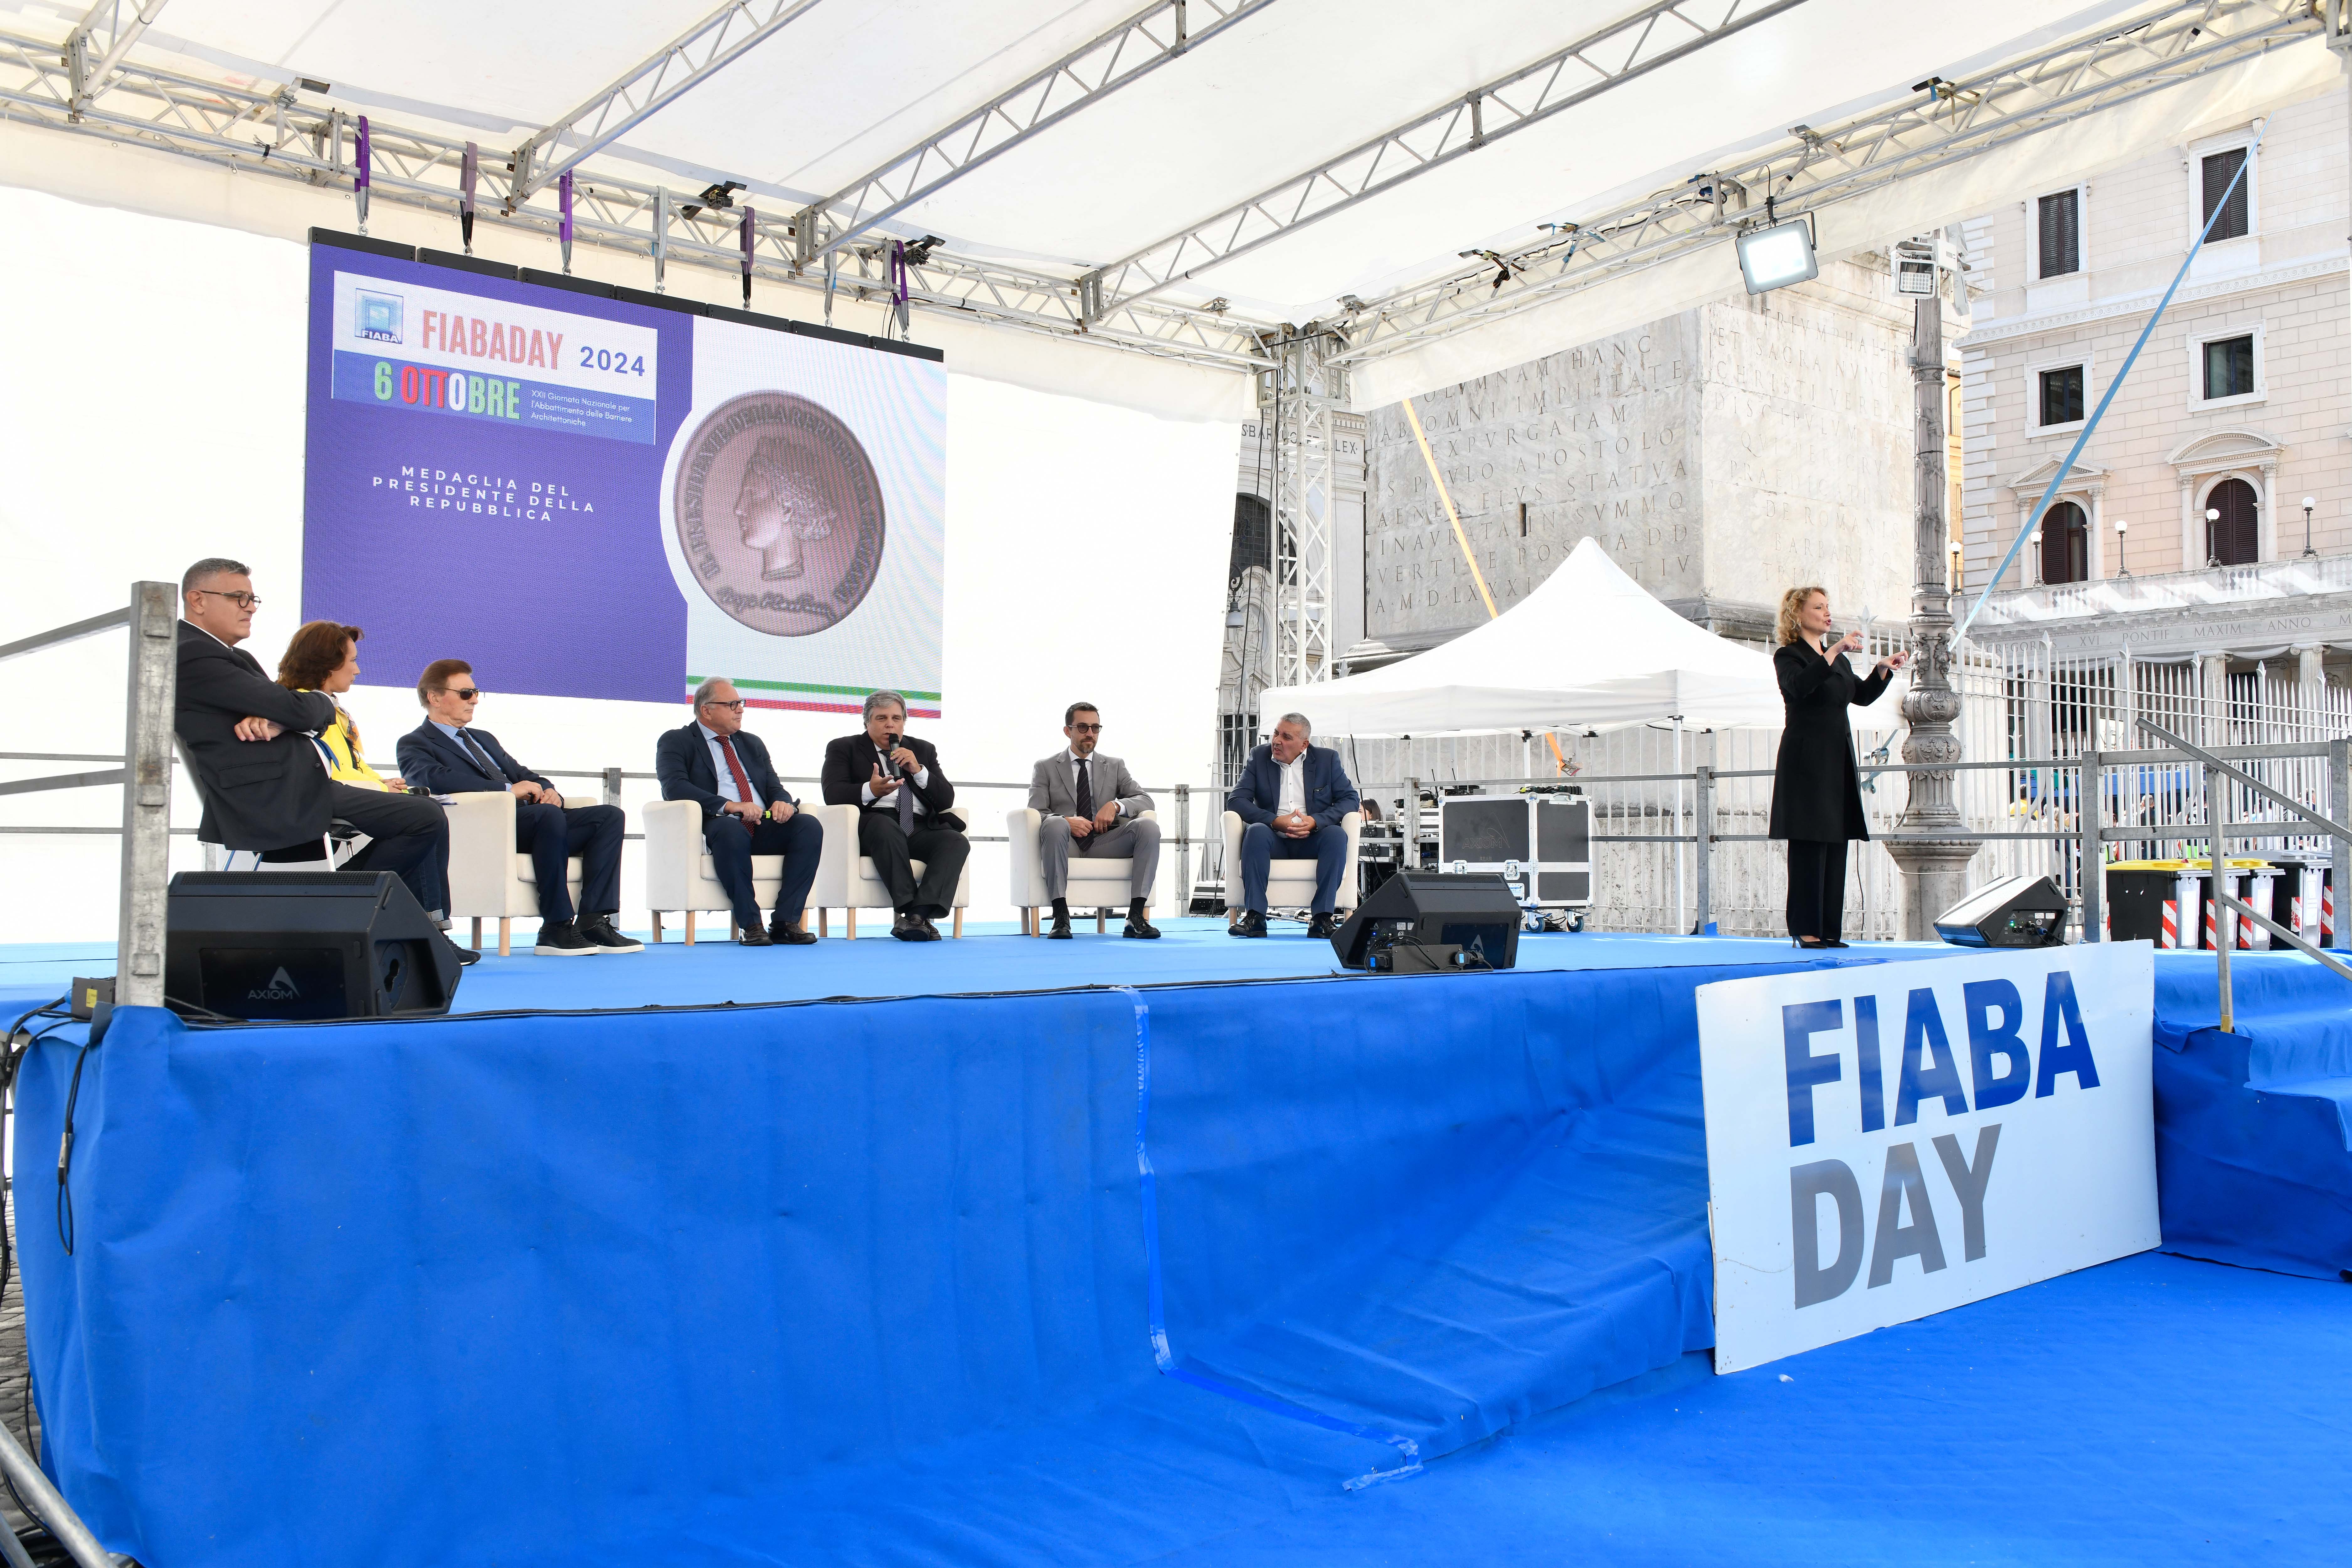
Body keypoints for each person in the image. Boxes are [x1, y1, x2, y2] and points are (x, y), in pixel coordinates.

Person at [172, 559, 462, 954]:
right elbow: (298, 709)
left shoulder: (222, 655)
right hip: (274, 792)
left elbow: (286, 709)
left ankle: (352, 909)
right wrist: (300, 710)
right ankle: (332, 905)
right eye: (239, 597)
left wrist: (283, 717)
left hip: (292, 782)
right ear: (197, 600)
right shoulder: (195, 654)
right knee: (423, 817)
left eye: (252, 598)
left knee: (422, 811)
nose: (251, 607)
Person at [395, 660, 641, 957]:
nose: (474, 699)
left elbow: (524, 773)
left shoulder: (482, 739)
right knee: (545, 816)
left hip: (534, 822)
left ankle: (592, 921)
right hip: (486, 827)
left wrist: (550, 791)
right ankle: (556, 926)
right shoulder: (414, 742)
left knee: (608, 816)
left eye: (476, 692)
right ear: (434, 697)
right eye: (465, 693)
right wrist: (506, 791)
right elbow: (432, 778)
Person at [274, 619, 451, 921]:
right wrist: (381, 789)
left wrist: (381, 782)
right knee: (423, 817)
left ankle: (430, 921)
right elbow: (326, 773)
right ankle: (348, 901)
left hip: (341, 791)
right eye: (353, 661)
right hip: (314, 797)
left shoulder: (329, 707)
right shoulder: (303, 708)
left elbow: (352, 764)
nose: (357, 670)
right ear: (327, 665)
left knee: (424, 812)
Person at [1769, 586, 1909, 949]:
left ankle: (1830, 929)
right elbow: (1799, 687)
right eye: (1819, 607)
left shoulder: (1838, 661)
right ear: (1797, 614)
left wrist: (1882, 670)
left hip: (1836, 758)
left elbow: (1858, 696)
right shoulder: (1789, 655)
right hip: (1806, 761)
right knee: (1809, 842)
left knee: (1835, 840)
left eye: (1828, 606)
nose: (1827, 613)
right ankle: (1805, 928)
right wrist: (1833, 651)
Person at [653, 678, 824, 946]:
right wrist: (729, 806)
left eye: (741, 703)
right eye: (732, 704)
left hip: (762, 823)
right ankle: (751, 924)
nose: (740, 709)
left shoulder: (751, 743)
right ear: (706, 710)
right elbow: (675, 788)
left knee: (808, 826)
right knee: (731, 829)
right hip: (717, 823)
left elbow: (773, 786)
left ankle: (785, 922)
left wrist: (783, 803)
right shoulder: (678, 740)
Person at [819, 691, 966, 941]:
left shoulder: (922, 749)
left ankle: (916, 917)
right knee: (885, 827)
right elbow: (832, 793)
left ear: (904, 722)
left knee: (955, 841)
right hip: (875, 822)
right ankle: (912, 911)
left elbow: (946, 800)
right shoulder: (844, 748)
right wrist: (870, 790)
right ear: (867, 722)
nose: (890, 724)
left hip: (917, 825)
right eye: (882, 718)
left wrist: (919, 771)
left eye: (897, 718)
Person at [1025, 702, 1161, 940]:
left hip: (1105, 842)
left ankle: (1136, 917)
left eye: (1096, 728)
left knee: (1148, 826)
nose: (1090, 733)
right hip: (1066, 843)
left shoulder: (1115, 765)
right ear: (1068, 731)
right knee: (1055, 824)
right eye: (1083, 727)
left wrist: (1116, 805)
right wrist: (1067, 821)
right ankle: (1060, 917)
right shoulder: (1046, 767)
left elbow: (1145, 800)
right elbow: (1037, 812)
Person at [1225, 712, 1360, 939]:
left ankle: (1322, 919)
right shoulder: (1259, 757)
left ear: (1304, 744)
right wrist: (1274, 821)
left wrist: (1316, 821)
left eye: (1286, 737)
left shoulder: (1327, 760)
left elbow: (1350, 799)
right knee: (1256, 832)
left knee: (1336, 835)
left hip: (1313, 839)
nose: (1277, 741)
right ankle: (1255, 917)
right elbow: (1237, 800)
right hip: (1273, 838)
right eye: (1276, 733)